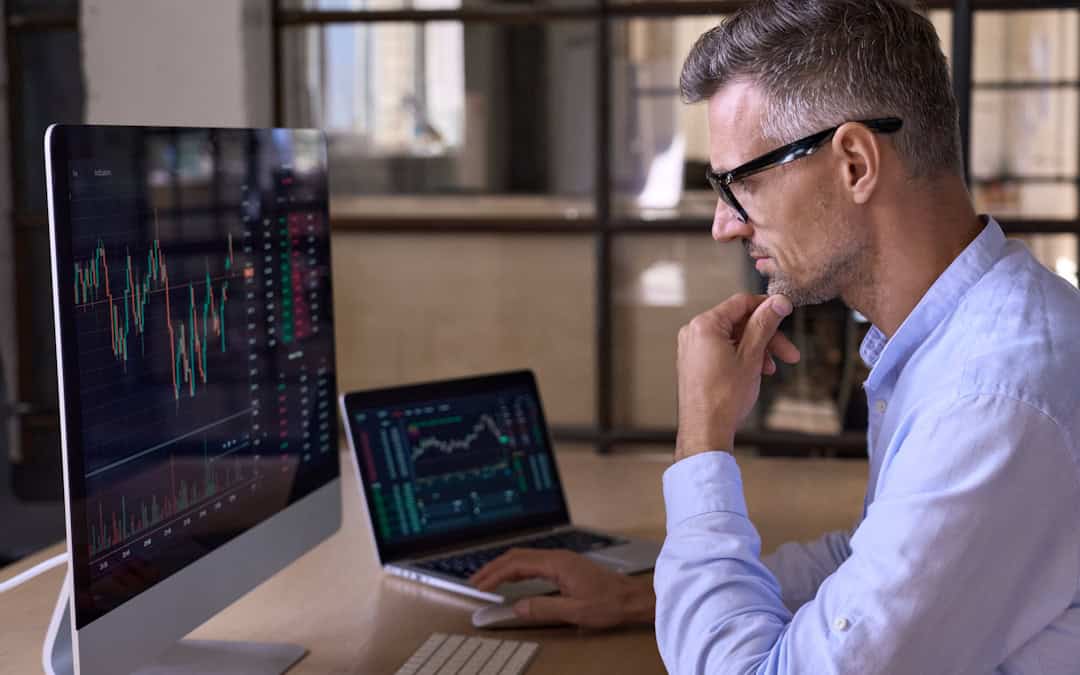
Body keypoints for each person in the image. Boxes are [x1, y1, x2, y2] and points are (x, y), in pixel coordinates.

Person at [472, 0, 1080, 671]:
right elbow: (868, 562)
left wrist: (702, 440)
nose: (723, 225)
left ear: (854, 163)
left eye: (742, 184)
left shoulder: (994, 401)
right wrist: (637, 598)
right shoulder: (967, 337)